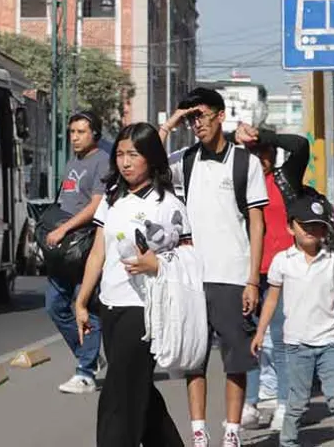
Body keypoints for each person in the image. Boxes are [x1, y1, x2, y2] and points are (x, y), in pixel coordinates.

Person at [159, 88, 267, 447]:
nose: (196, 124)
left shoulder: (244, 162)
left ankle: (232, 433)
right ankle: (199, 433)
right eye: (190, 119)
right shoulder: (185, 159)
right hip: (193, 277)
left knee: (236, 360)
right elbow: (148, 158)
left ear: (221, 115)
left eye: (200, 116)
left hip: (233, 276)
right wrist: (172, 120)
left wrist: (252, 279)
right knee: (195, 360)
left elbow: (256, 222)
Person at [75, 122, 188, 447]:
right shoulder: (112, 199)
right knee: (139, 391)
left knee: (117, 395)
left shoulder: (168, 205)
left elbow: (189, 259)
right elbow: (98, 251)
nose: (125, 162)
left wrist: (157, 264)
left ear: (151, 158)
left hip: (146, 311)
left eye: (133, 155)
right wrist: (82, 301)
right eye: (120, 155)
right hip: (111, 308)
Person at [252, 190, 334, 447]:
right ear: (291, 227)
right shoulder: (282, 261)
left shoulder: (333, 261)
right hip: (296, 344)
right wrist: (260, 332)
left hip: (329, 342)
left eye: (318, 227)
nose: (312, 231)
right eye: (306, 226)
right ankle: (289, 441)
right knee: (297, 401)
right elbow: (270, 300)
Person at [229, 122, 308, 430]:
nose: (260, 156)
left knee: (281, 337)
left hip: (283, 272)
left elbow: (300, 145)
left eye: (264, 151)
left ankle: (285, 405)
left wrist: (263, 136)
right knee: (248, 337)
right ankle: (250, 402)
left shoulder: (283, 178)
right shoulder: (238, 183)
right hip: (247, 272)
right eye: (252, 151)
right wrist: (236, 137)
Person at [44, 112, 110, 394]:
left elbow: (96, 205)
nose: (74, 137)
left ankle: (85, 372)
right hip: (65, 246)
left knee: (88, 308)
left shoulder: (102, 161)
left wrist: (64, 229)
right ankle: (90, 357)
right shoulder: (74, 161)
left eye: (81, 132)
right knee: (54, 305)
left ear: (94, 133)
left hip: (86, 245)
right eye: (72, 132)